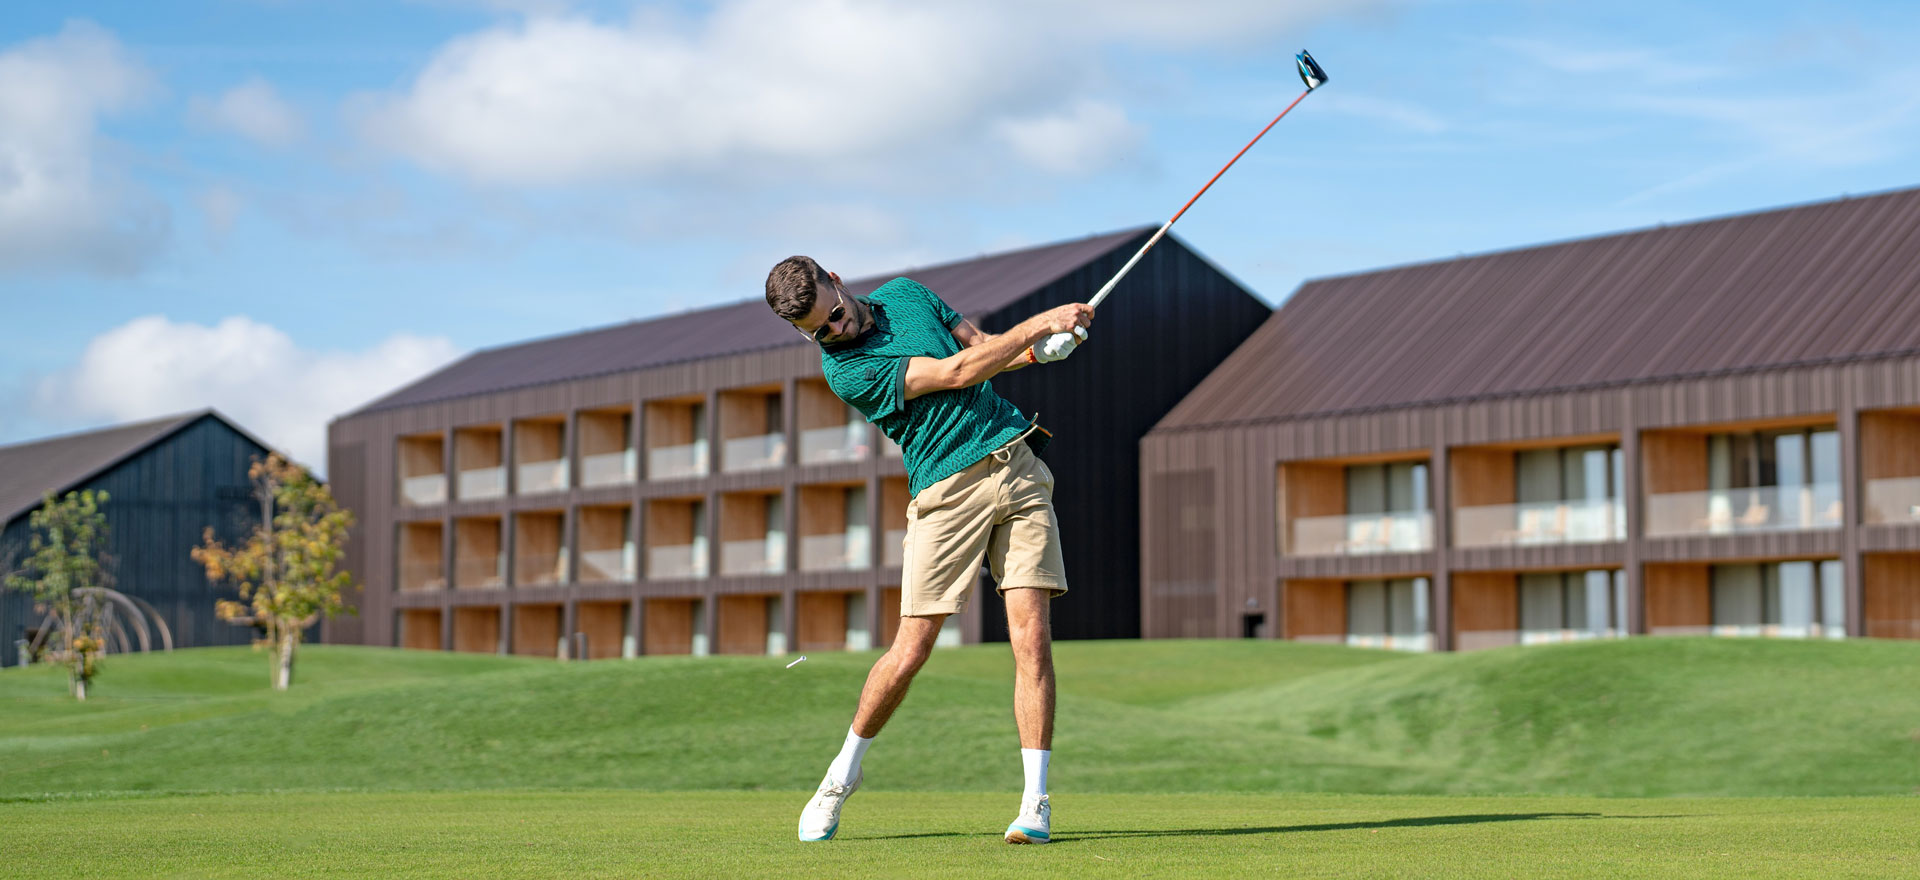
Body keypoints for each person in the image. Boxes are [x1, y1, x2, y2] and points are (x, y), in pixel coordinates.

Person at [765, 255, 1093, 845]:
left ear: (836, 280)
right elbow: (957, 372)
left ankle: (1035, 803)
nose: (835, 330)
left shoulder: (908, 294)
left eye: (834, 315)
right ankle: (842, 775)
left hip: (1017, 467)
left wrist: (1037, 353)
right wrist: (1041, 324)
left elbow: (982, 349)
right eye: (818, 331)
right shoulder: (846, 370)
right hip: (945, 494)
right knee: (912, 648)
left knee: (1031, 638)